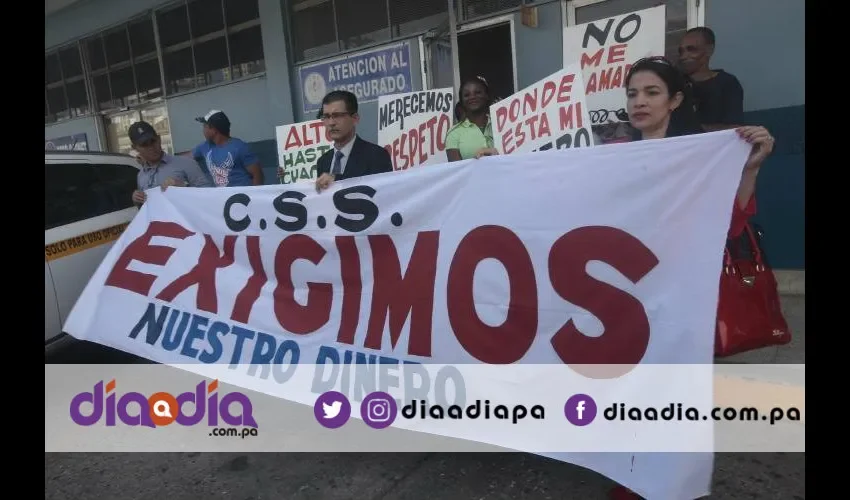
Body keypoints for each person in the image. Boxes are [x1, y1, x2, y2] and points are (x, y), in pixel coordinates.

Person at [608, 56, 774, 500]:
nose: (639, 102)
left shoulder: (705, 153)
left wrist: (751, 166)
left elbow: (733, 219)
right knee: (630, 387)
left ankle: (672, 482)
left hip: (683, 294)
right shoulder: (613, 156)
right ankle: (633, 473)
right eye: (631, 93)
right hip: (628, 294)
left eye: (651, 92)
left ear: (676, 100)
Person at [314, 90, 393, 193]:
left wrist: (337, 181)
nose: (331, 122)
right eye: (326, 117)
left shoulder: (376, 155)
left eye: (337, 115)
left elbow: (384, 196)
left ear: (355, 118)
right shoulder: (323, 161)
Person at [129, 121, 212, 206]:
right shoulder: (141, 176)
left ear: (159, 139)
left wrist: (184, 187)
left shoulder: (185, 163)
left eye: (153, 141)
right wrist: (137, 201)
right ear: (135, 148)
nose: (151, 147)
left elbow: (209, 194)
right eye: (144, 145)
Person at [678, 27, 745, 131]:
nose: (684, 56)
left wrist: (692, 130)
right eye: (681, 51)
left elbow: (735, 129)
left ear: (709, 50)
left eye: (691, 49)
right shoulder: (676, 83)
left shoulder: (727, 83)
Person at [192, 110, 264, 187]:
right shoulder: (205, 146)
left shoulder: (240, 147)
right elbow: (185, 159)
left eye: (205, 127)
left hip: (241, 195)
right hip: (222, 196)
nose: (203, 130)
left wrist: (253, 196)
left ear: (214, 130)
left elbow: (258, 176)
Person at [445, 76, 499, 161]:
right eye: (467, 95)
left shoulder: (501, 125)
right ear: (462, 101)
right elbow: (456, 171)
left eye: (477, 92)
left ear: (487, 96)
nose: (472, 97)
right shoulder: (454, 133)